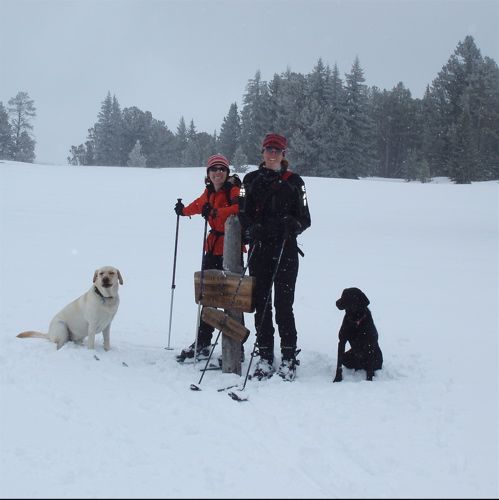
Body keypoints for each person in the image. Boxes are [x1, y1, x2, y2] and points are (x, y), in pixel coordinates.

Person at [238, 133, 311, 381]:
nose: (272, 154)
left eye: (277, 151)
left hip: (285, 250)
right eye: (268, 149)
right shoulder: (249, 180)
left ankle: (289, 356)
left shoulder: (295, 182)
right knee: (261, 305)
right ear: (262, 152)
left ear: (283, 155)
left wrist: (293, 224)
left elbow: (306, 218)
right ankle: (265, 355)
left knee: (283, 305)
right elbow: (242, 212)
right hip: (260, 250)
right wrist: (251, 228)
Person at [174, 154, 244, 362]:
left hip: (231, 249)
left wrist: (215, 212)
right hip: (213, 248)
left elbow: (239, 209)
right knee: (208, 296)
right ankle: (203, 342)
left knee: (233, 299)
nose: (218, 173)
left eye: (222, 169)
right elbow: (199, 205)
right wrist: (183, 211)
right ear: (208, 174)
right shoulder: (209, 191)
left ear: (227, 172)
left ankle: (235, 347)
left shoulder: (234, 190)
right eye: (214, 169)